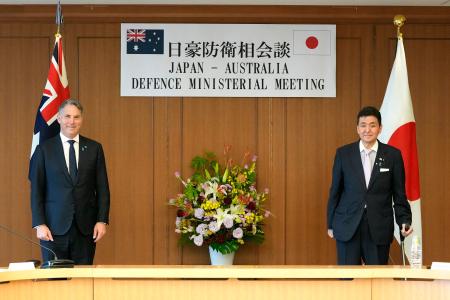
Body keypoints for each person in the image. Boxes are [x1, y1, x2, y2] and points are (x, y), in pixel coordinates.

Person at [326, 106, 413, 265]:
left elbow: (399, 194)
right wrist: (330, 224)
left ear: (380, 128)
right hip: (347, 226)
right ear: (357, 129)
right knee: (347, 281)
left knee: (377, 282)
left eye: (372, 125)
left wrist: (404, 220)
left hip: (379, 227)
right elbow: (335, 192)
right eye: (363, 125)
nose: (368, 129)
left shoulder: (393, 155)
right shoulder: (343, 154)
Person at [30, 98, 110, 265]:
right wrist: (39, 224)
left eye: (76, 117)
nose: (71, 121)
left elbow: (103, 188)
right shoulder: (44, 149)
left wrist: (101, 220)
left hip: (85, 230)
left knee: (82, 282)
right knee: (55, 282)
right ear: (59, 119)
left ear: (82, 119)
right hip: (52, 230)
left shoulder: (94, 148)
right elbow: (37, 189)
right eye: (67, 116)